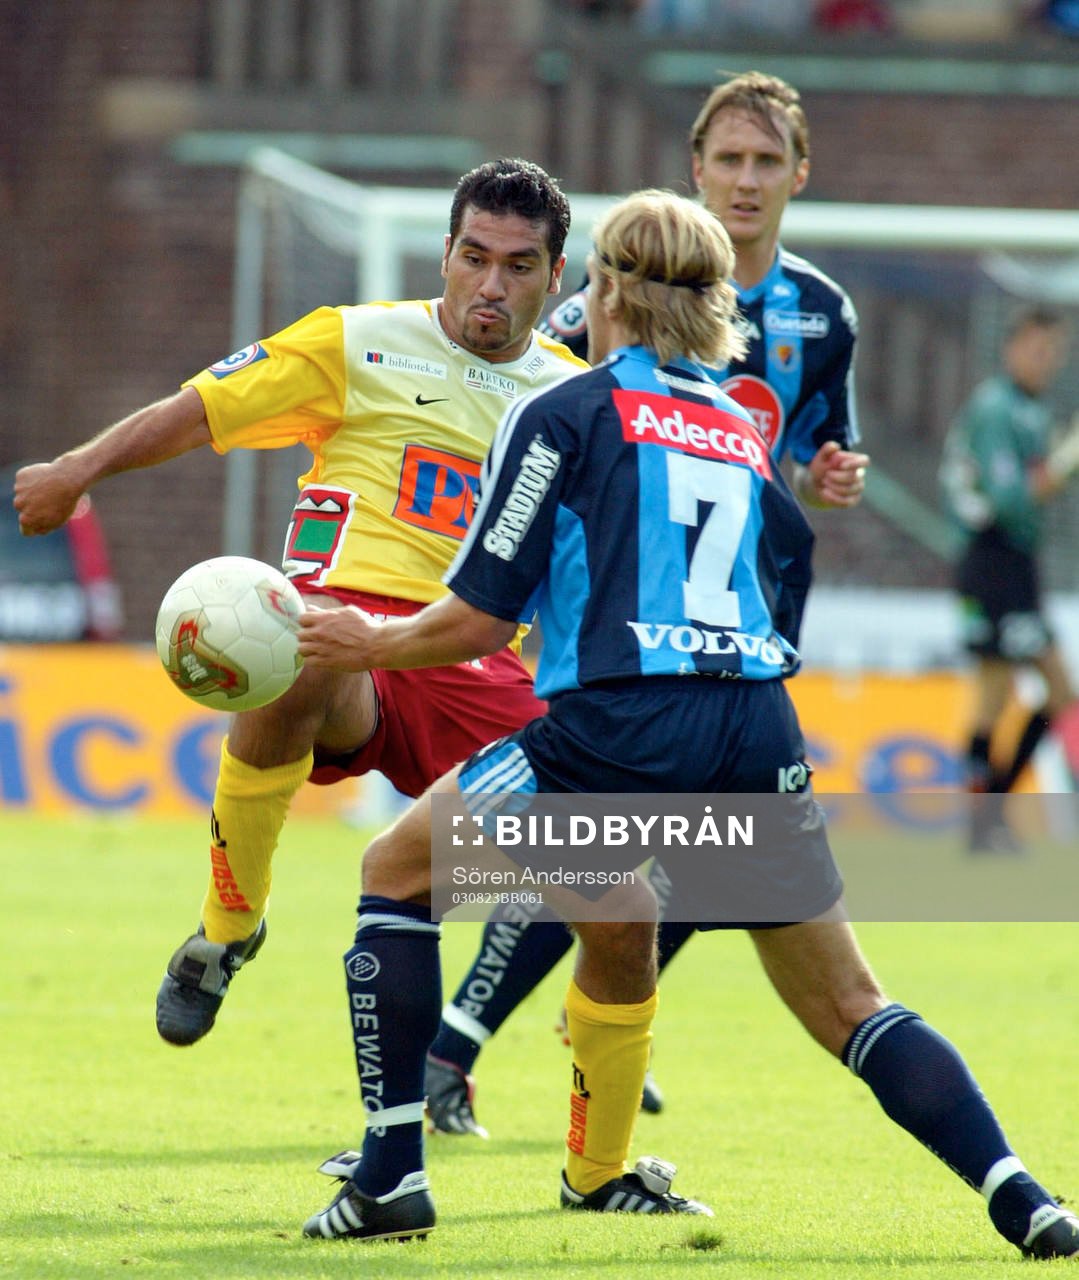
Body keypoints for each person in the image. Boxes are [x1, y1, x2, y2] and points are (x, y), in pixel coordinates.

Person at [295, 189, 1079, 1259]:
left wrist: (363, 641)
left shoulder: (563, 411)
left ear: (602, 287)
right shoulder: (736, 428)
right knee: (843, 998)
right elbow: (786, 561)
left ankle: (388, 1174)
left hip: (615, 731)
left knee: (395, 871)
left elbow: (477, 614)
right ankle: (1017, 1191)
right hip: (755, 733)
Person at [12, 158, 587, 1046]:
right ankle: (227, 929)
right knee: (287, 650)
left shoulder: (571, 401)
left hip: (463, 647)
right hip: (334, 615)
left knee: (602, 867)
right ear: (443, 255)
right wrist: (78, 468)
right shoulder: (355, 342)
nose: (490, 283)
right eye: (474, 257)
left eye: (517, 267)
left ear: (555, 278)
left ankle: (503, 1071)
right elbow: (201, 408)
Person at [425, 69, 869, 1136]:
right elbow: (554, 410)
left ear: (798, 174)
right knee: (599, 855)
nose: (746, 180)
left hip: (746, 625)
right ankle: (471, 1042)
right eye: (728, 159)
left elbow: (809, 453)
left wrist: (827, 474)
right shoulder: (612, 297)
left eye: (766, 161)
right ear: (695, 168)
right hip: (624, 634)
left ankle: (562, 1037)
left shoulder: (820, 313)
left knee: (663, 869)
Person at [940, 305, 1079, 853]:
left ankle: (985, 822)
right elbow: (1009, 500)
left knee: (997, 696)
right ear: (1014, 347)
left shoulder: (1027, 409)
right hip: (993, 561)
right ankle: (987, 817)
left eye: (1056, 353)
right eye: (1039, 349)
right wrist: (1064, 463)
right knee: (1050, 688)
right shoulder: (999, 409)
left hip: (1009, 564)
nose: (1047, 362)